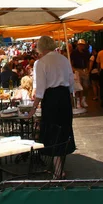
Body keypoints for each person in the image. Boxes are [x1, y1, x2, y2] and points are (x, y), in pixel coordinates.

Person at [29, 36, 75, 179]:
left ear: (41, 47)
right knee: (63, 129)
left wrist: (33, 108)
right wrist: (71, 99)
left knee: (53, 131)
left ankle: (57, 170)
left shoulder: (41, 62)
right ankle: (59, 167)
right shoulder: (64, 59)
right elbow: (71, 81)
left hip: (51, 98)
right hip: (64, 97)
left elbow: (41, 89)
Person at [70, 39, 90, 104]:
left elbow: (88, 62)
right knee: (78, 86)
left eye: (82, 45)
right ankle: (78, 100)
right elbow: (71, 62)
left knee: (86, 86)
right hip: (77, 69)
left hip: (84, 69)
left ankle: (83, 99)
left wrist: (88, 70)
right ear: (77, 45)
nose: (81, 46)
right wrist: (73, 69)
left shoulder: (86, 52)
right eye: (80, 45)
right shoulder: (74, 53)